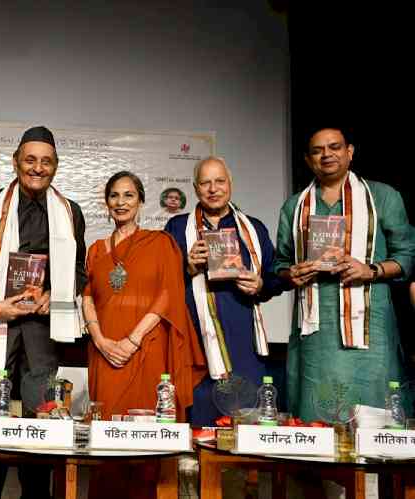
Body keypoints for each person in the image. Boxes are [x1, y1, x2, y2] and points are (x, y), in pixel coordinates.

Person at [0, 126, 86, 499]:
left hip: (42, 335)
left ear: (56, 167)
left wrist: (54, 294)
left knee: (39, 436)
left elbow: (79, 272)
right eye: (30, 160)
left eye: (46, 162)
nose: (37, 168)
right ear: (15, 162)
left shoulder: (69, 212)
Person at [275, 127, 415, 421]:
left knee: (375, 420)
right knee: (316, 422)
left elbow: (407, 256)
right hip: (315, 336)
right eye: (317, 150)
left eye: (334, 147)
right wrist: (292, 275)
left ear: (349, 152)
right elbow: (280, 264)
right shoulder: (294, 206)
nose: (326, 154)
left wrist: (371, 270)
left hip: (370, 333)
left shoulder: (383, 197)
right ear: (307, 159)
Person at [84, 171, 206, 498]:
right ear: (106, 203)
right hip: (105, 353)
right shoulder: (95, 250)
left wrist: (132, 339)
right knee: (106, 441)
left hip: (147, 349)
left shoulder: (161, 243)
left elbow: (168, 293)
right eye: (114, 196)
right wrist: (100, 339)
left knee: (146, 442)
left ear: (140, 201)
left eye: (128, 196)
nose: (121, 202)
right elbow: (86, 297)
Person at [164, 157, 285, 425]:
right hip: (195, 348)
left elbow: (275, 278)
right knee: (197, 431)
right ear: (195, 189)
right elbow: (160, 285)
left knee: (245, 430)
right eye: (205, 183)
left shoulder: (252, 228)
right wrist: (187, 267)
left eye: (219, 181)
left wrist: (261, 285)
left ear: (230, 184)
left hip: (243, 343)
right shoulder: (176, 228)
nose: (213, 188)